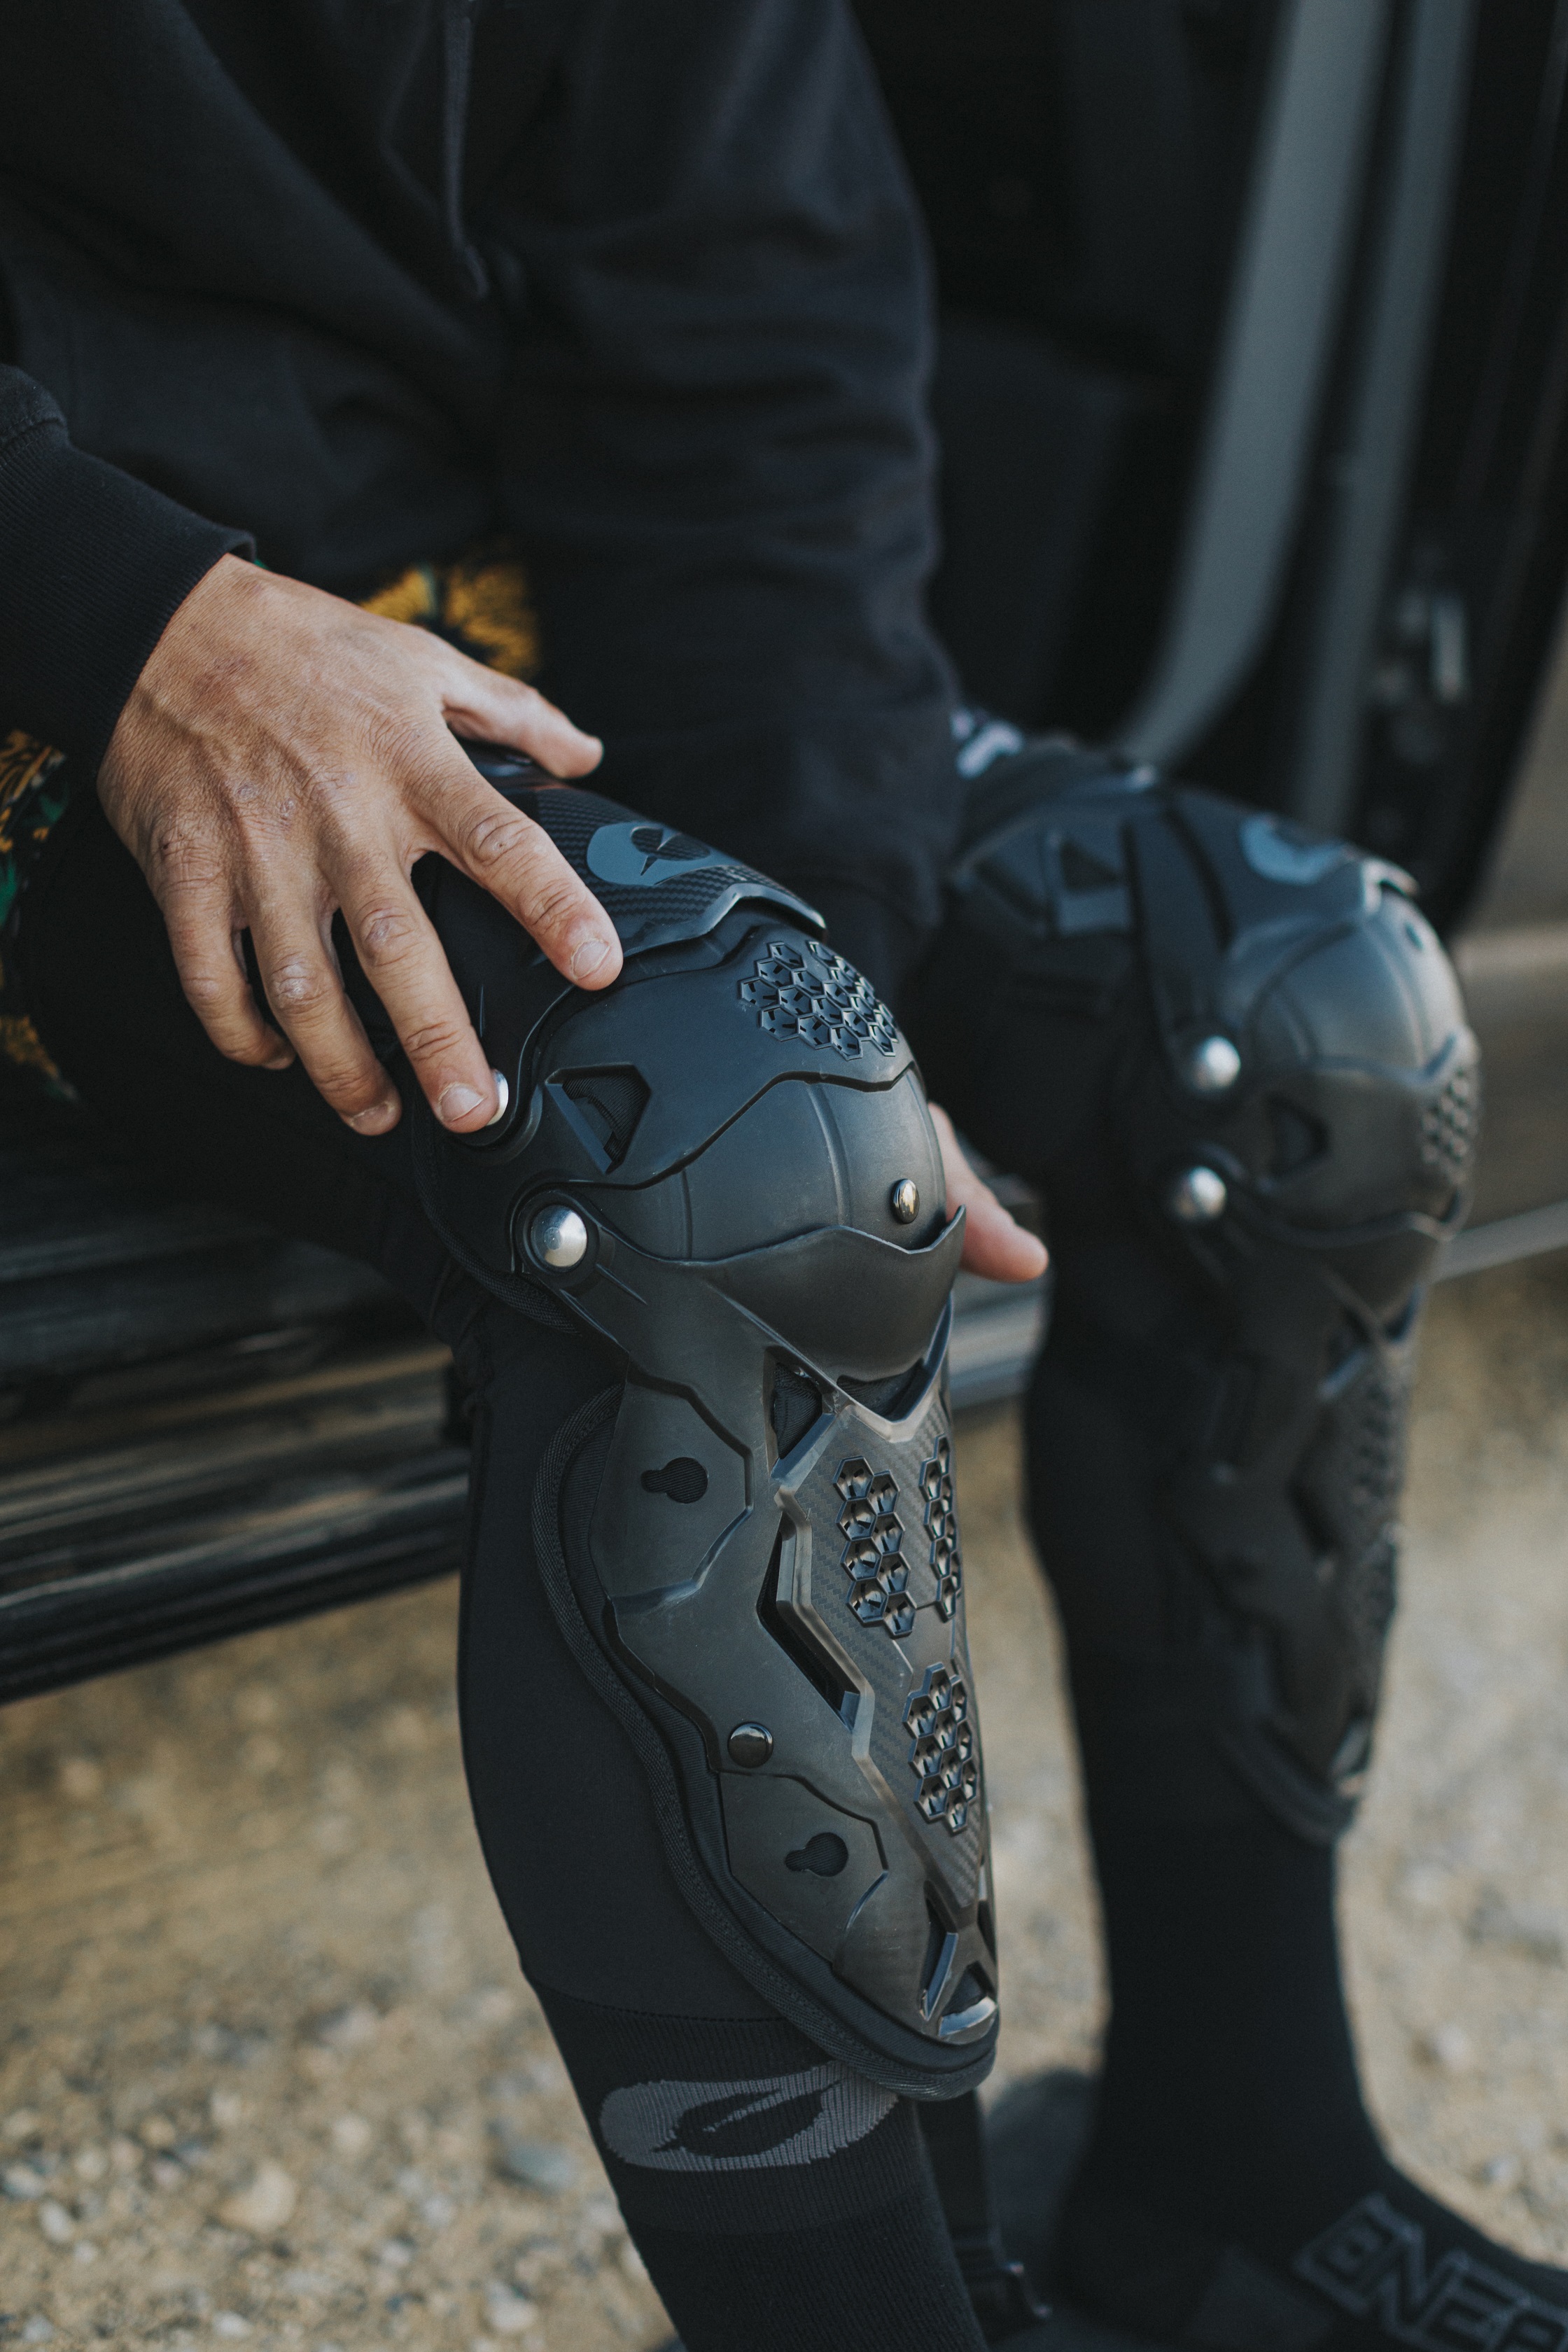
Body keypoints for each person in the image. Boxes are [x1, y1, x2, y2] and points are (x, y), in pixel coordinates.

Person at [0, 7, 1560, 2352]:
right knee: (700, 1142)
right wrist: (122, 612)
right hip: (63, 646)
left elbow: (752, 332)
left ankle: (1236, 2173)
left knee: (1302, 1015)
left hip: (437, 609)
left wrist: (833, 1028)